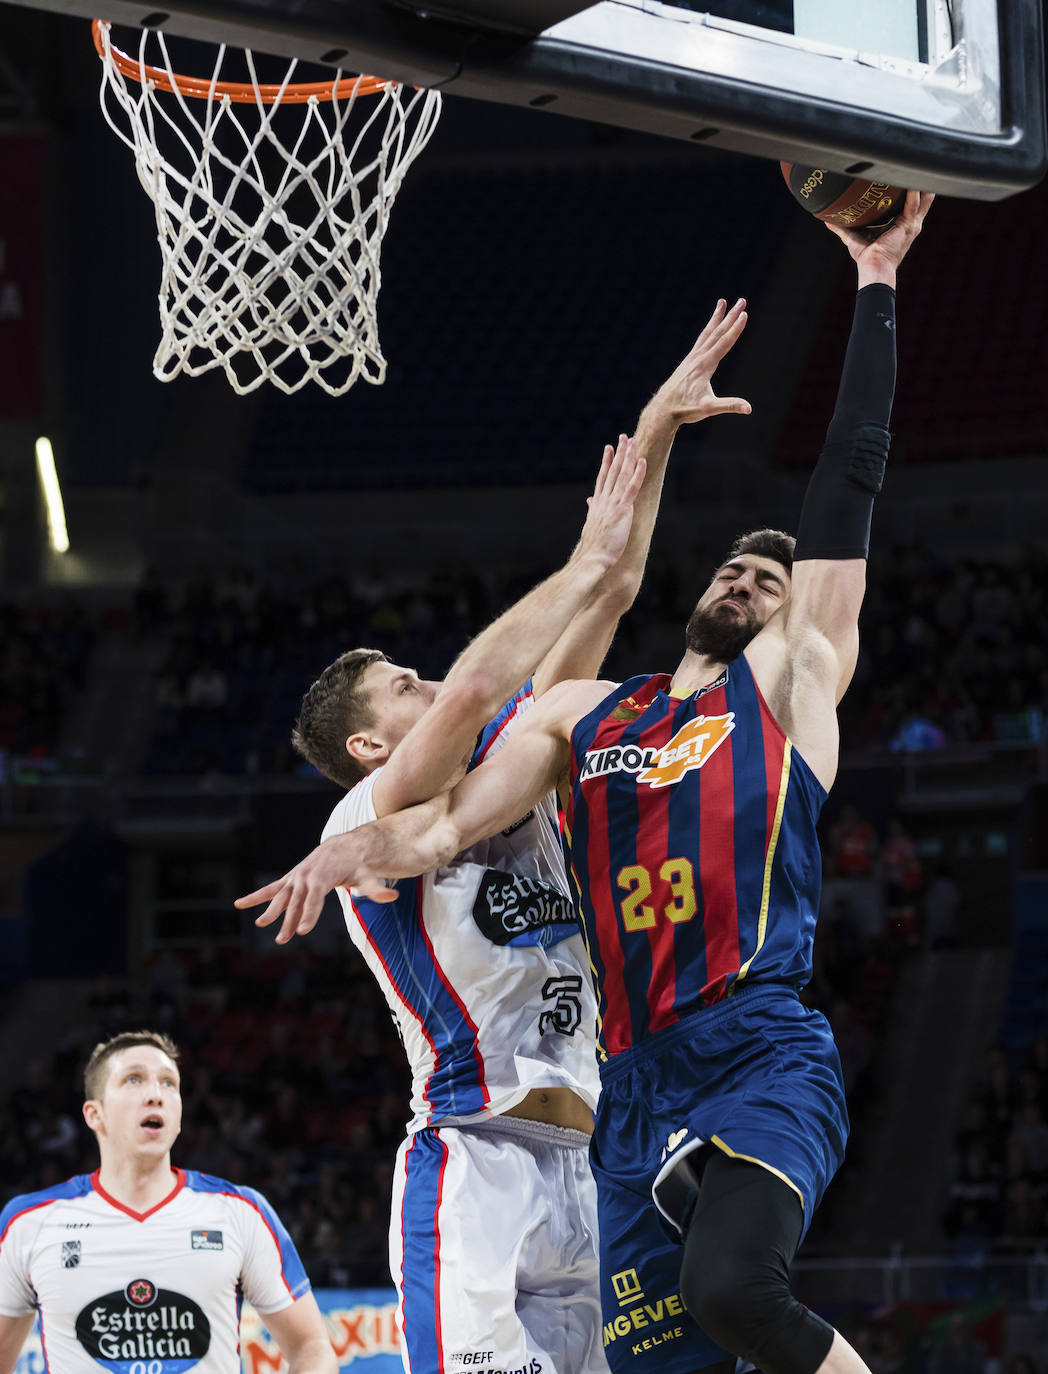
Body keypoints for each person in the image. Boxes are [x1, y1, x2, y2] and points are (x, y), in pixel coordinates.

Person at [237, 190, 934, 1374]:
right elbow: (443, 809)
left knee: (737, 1294)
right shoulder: (577, 721)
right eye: (734, 570)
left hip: (747, 1039)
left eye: (768, 584)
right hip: (606, 1096)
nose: (746, 583)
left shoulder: (782, 691)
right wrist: (349, 850)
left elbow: (823, 495)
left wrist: (873, 288)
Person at [242, 301, 752, 1374]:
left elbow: (612, 588)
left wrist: (658, 428)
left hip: (593, 1160)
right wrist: (578, 562)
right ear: (371, 747)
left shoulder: (517, 772)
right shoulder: (368, 818)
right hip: (476, 1162)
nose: (429, 685)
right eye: (402, 688)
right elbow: (480, 680)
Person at [0, 1030, 336, 1374]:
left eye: (168, 1083)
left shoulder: (240, 1212)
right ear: (94, 1115)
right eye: (133, 1080)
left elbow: (312, 1348)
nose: (155, 1095)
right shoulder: (28, 1222)